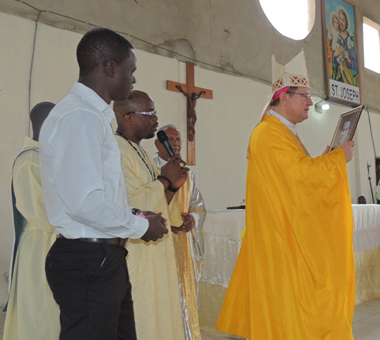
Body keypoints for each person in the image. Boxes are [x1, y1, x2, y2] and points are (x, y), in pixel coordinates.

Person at [217, 50, 356, 339]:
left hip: (284, 234)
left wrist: (325, 159)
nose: (310, 102)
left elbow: (296, 176)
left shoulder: (283, 132)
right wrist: (336, 160)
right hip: (280, 239)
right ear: (283, 96)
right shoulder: (269, 134)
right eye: (304, 95)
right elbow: (299, 180)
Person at [39, 28, 169, 340]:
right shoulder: (80, 117)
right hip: (88, 260)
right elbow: (84, 204)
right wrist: (140, 228)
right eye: (131, 70)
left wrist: (136, 214)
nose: (133, 79)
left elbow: (98, 194)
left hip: (102, 258)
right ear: (111, 68)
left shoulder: (93, 117)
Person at [113, 90, 199, 340]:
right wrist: (163, 179)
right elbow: (132, 204)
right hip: (137, 252)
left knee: (162, 314)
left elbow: (159, 202)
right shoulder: (116, 151)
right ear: (127, 117)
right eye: (149, 113)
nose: (155, 118)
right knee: (144, 315)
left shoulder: (140, 153)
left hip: (159, 251)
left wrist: (172, 186)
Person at [3, 102, 60, 340]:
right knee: (39, 310)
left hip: (53, 239)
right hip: (39, 243)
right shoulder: (28, 159)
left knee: (52, 309)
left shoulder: (47, 158)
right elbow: (35, 210)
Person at [153, 124, 206, 303]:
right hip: (162, 237)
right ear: (158, 144)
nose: (175, 143)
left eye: (178, 140)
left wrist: (193, 219)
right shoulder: (151, 169)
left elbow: (197, 204)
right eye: (169, 139)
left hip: (184, 237)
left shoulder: (188, 173)